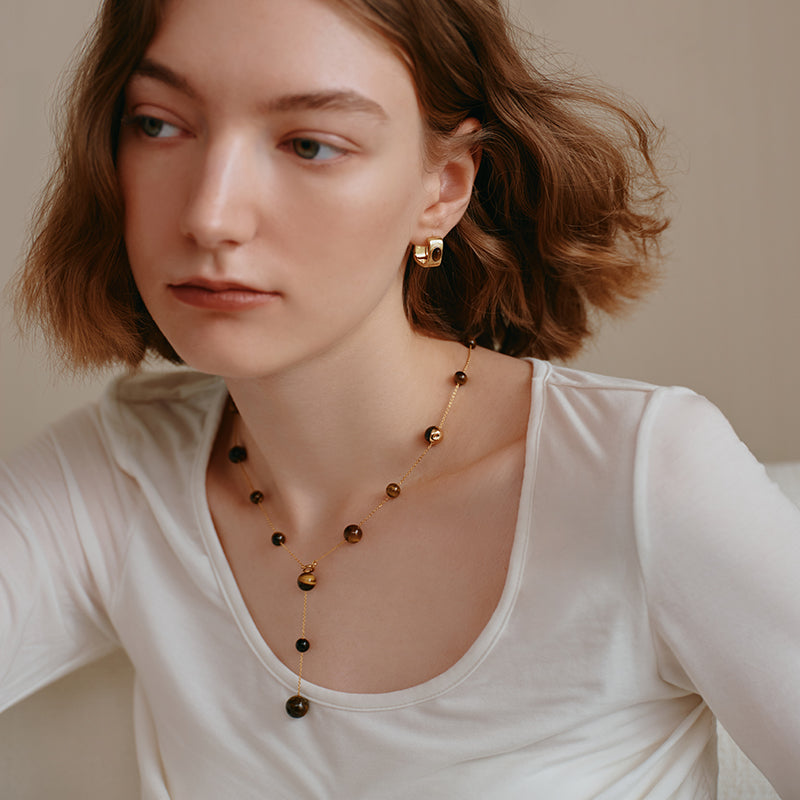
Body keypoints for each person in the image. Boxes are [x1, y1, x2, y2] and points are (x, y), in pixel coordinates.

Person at [2, 0, 799, 797]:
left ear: (443, 187)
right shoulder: (117, 473)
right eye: (159, 125)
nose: (210, 214)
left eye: (310, 144)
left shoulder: (641, 478)